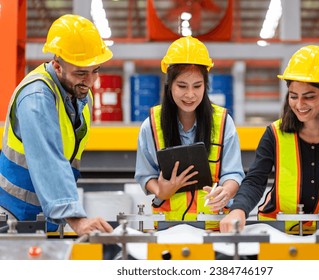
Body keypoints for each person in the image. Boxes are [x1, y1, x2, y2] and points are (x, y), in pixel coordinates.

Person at [220, 45, 319, 233]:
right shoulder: (274, 134)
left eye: (309, 97)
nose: (299, 105)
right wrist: (238, 210)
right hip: (277, 231)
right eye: (293, 96)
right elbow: (255, 181)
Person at [0, 14, 114, 235]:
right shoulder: (37, 96)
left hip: (45, 216)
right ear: (57, 66)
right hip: (12, 216)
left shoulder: (80, 96)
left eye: (95, 70)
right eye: (81, 73)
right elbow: (48, 159)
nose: (90, 82)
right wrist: (76, 218)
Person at [135, 36, 245, 227]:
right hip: (168, 228)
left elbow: (234, 173)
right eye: (182, 86)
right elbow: (145, 175)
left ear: (206, 85)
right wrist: (162, 191)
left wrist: (226, 191)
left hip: (214, 227)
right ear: (170, 85)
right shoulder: (151, 126)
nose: (190, 95)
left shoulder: (223, 123)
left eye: (197, 86)